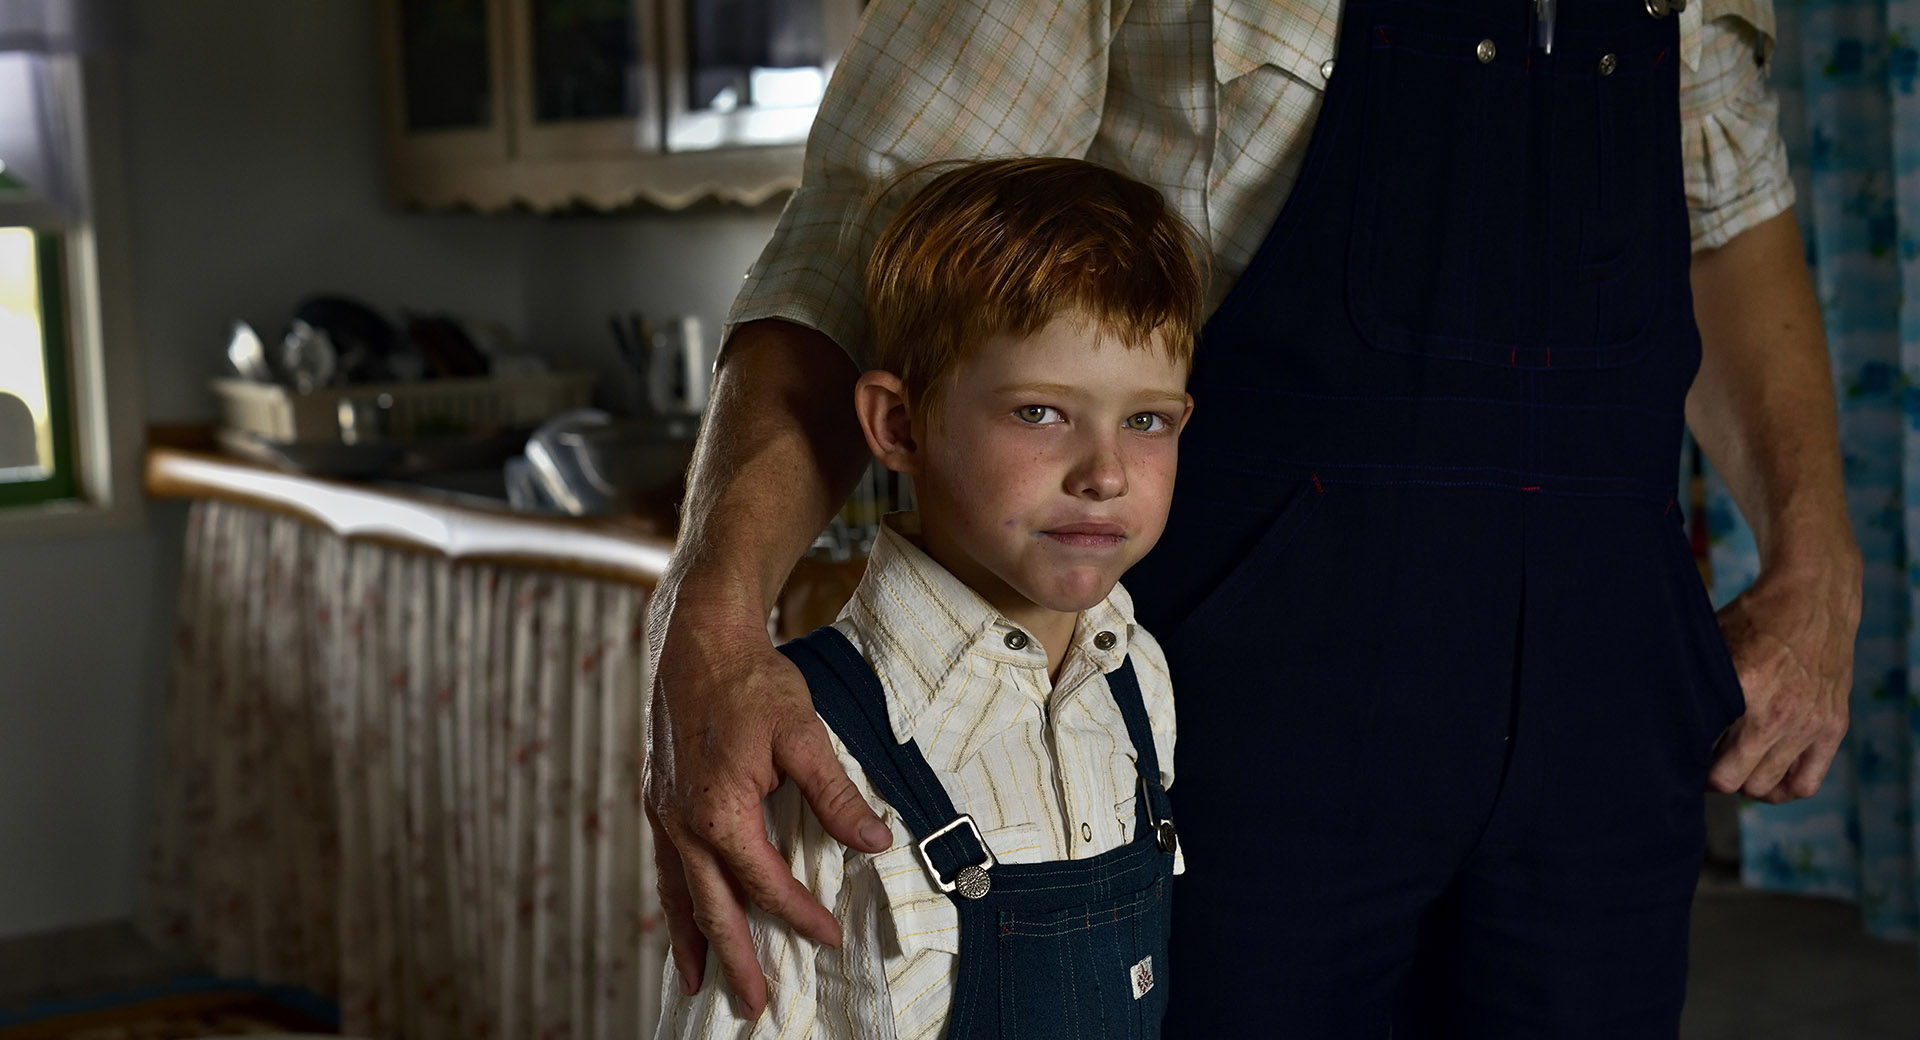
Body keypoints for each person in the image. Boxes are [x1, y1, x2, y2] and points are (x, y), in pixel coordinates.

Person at [644, 0, 1863, 1034]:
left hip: (1608, 700)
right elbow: (868, 232)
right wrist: (710, 606)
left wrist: (1817, 557)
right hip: (1251, 707)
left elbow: (1729, 213)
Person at [654, 156, 1202, 1038]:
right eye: (1041, 412)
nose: (1105, 474)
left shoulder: (1140, 679)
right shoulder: (810, 741)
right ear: (899, 426)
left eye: (1146, 421)